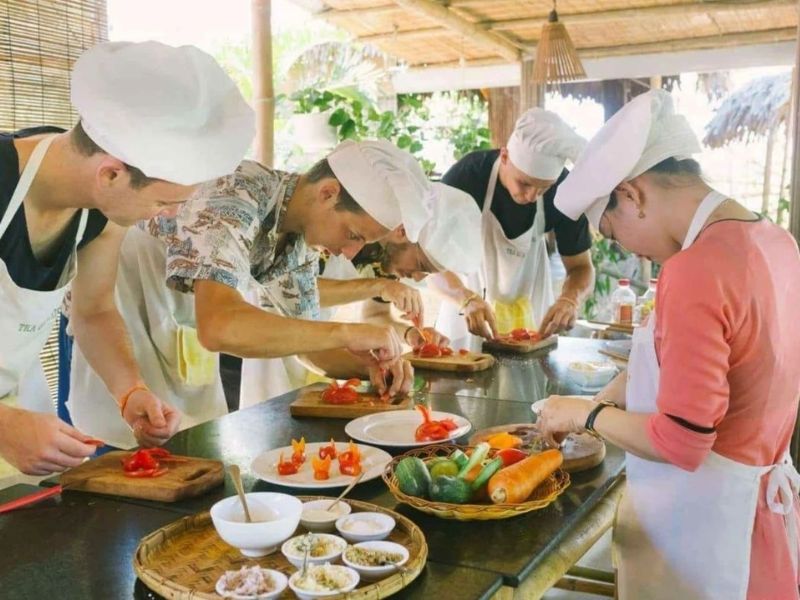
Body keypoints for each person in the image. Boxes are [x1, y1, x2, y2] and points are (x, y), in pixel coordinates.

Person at [538, 89, 800, 599]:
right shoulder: (775, 241)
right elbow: (699, 362)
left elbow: (682, 440)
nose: (629, 251)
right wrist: (608, 396)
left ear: (631, 195)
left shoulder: (694, 269)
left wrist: (585, 414)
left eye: (612, 232)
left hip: (708, 530)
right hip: (758, 515)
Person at [68, 140, 432, 447]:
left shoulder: (297, 239)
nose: (350, 253)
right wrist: (348, 332)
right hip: (120, 338)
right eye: (353, 235)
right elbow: (219, 327)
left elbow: (308, 347)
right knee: (116, 461)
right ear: (328, 193)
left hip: (180, 350)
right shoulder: (233, 195)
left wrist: (372, 366)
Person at [0, 40, 253, 478]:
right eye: (164, 202)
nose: (169, 215)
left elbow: (94, 311)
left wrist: (130, 390)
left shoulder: (100, 210)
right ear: (111, 173)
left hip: (17, 408)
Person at [434, 108, 594, 346]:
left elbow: (581, 267)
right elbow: (430, 261)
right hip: (466, 312)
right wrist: (465, 299)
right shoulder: (467, 178)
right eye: (525, 183)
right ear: (505, 156)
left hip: (532, 321)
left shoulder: (564, 190)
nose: (532, 196)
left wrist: (570, 300)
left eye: (544, 188)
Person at [319, 182, 482, 349]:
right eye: (421, 265)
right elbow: (305, 293)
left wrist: (409, 334)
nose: (417, 278)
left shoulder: (389, 258)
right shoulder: (341, 223)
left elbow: (374, 315)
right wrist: (381, 287)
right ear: (403, 231)